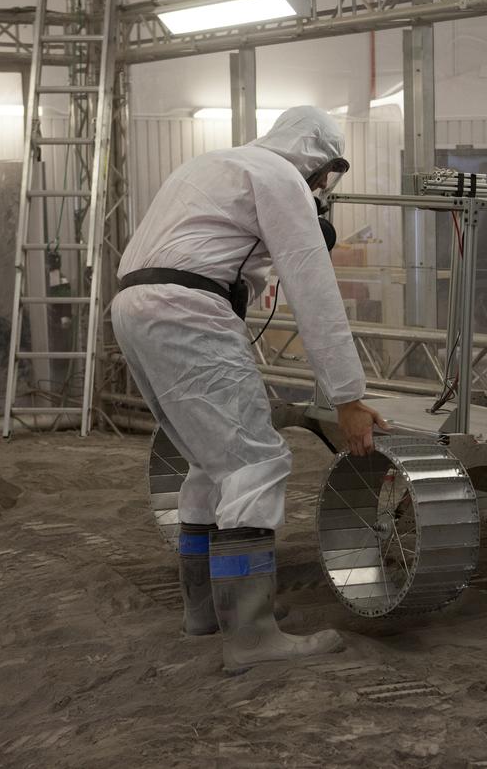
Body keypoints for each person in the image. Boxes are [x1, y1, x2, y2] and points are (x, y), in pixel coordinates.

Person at [111, 106, 387, 672]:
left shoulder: (213, 164)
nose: (321, 188)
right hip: (187, 308)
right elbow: (313, 289)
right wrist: (348, 399)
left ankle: (208, 613)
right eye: (325, 176)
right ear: (316, 158)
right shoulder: (279, 175)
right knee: (256, 464)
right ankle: (254, 637)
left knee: (209, 464)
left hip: (135, 307)